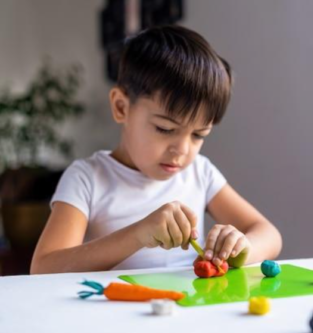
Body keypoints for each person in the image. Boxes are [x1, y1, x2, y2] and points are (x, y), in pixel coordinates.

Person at [31, 25, 282, 274]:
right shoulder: (87, 178)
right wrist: (138, 235)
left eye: (198, 135)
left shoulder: (200, 173)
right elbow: (43, 268)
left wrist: (243, 247)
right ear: (121, 107)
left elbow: (270, 235)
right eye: (164, 128)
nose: (182, 150)